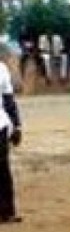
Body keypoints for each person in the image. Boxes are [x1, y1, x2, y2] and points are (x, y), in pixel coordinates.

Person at [0, 56, 21, 223]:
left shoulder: (1, 69)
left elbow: (9, 100)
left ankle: (7, 211)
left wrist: (17, 126)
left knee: (2, 169)